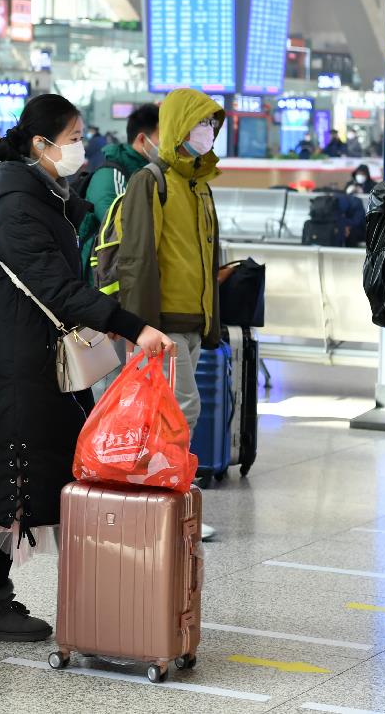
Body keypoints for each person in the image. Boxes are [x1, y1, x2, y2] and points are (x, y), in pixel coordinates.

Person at [0, 93, 175, 642]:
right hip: (17, 368)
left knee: (40, 475)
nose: (82, 146)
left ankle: (37, 595)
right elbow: (56, 286)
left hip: (40, 361)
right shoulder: (17, 207)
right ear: (41, 143)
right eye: (73, 136)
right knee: (9, 481)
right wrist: (131, 325)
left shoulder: (42, 195)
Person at [115, 87, 223, 541]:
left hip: (192, 320)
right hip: (163, 323)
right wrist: (140, 326)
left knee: (169, 413)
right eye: (201, 124)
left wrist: (211, 321)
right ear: (179, 127)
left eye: (213, 126)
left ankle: (166, 495)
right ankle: (168, 496)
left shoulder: (197, 186)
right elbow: (137, 257)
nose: (209, 133)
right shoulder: (152, 180)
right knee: (182, 409)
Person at [79, 103, 160, 281]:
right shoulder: (111, 175)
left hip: (131, 275)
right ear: (142, 139)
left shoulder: (150, 172)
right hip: (104, 281)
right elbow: (118, 227)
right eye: (162, 137)